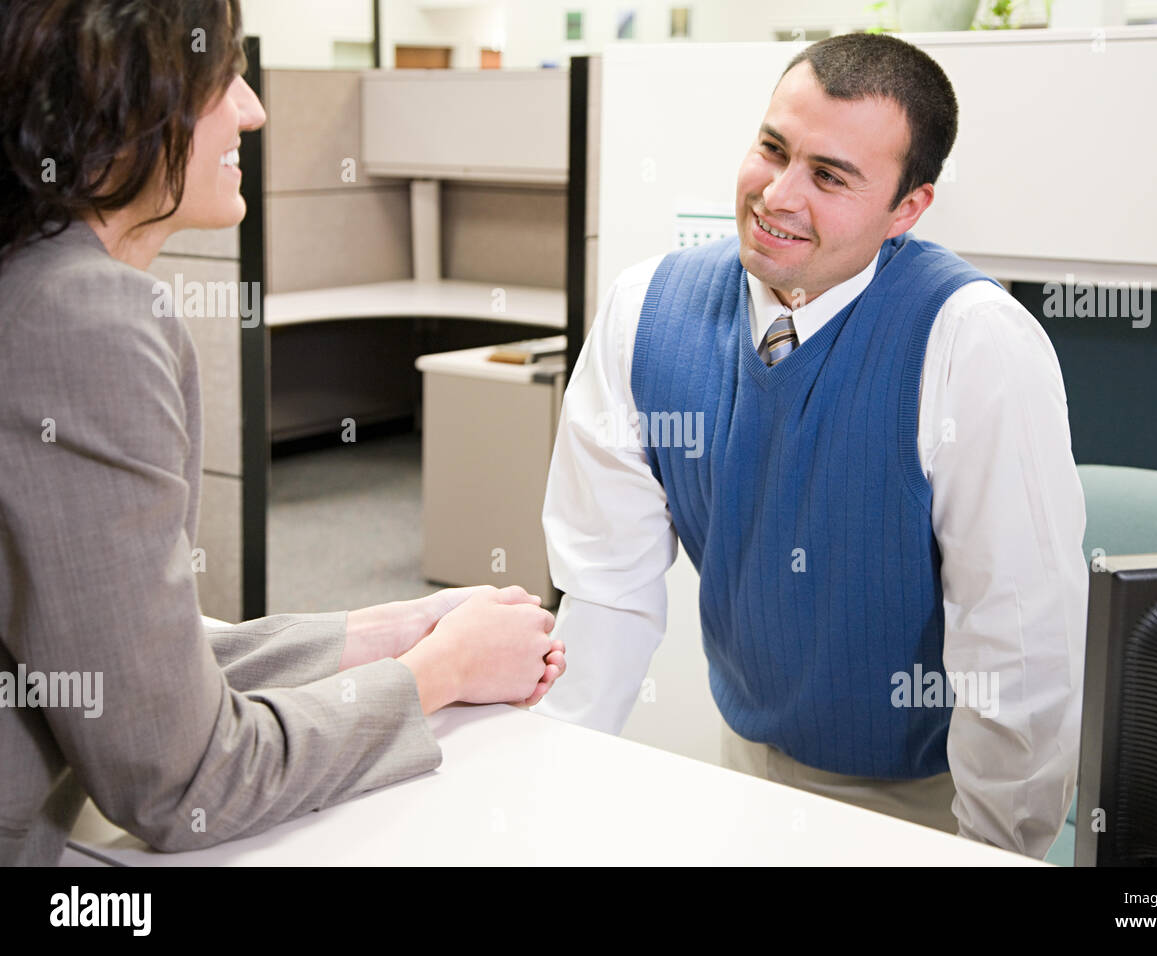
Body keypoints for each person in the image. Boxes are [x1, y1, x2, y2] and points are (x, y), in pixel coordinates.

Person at [0, 0, 565, 867]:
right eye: (219, 77)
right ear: (119, 94)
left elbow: (128, 657)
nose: (253, 109)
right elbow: (186, 784)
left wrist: (391, 630)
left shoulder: (31, 280)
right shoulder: (88, 320)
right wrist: (441, 674)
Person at [536, 33, 1088, 858]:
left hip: (927, 798)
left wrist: (993, 853)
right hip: (742, 763)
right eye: (772, 149)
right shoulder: (642, 314)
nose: (778, 196)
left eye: (829, 177)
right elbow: (606, 594)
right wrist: (550, 790)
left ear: (907, 209)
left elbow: (1016, 649)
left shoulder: (974, 346)